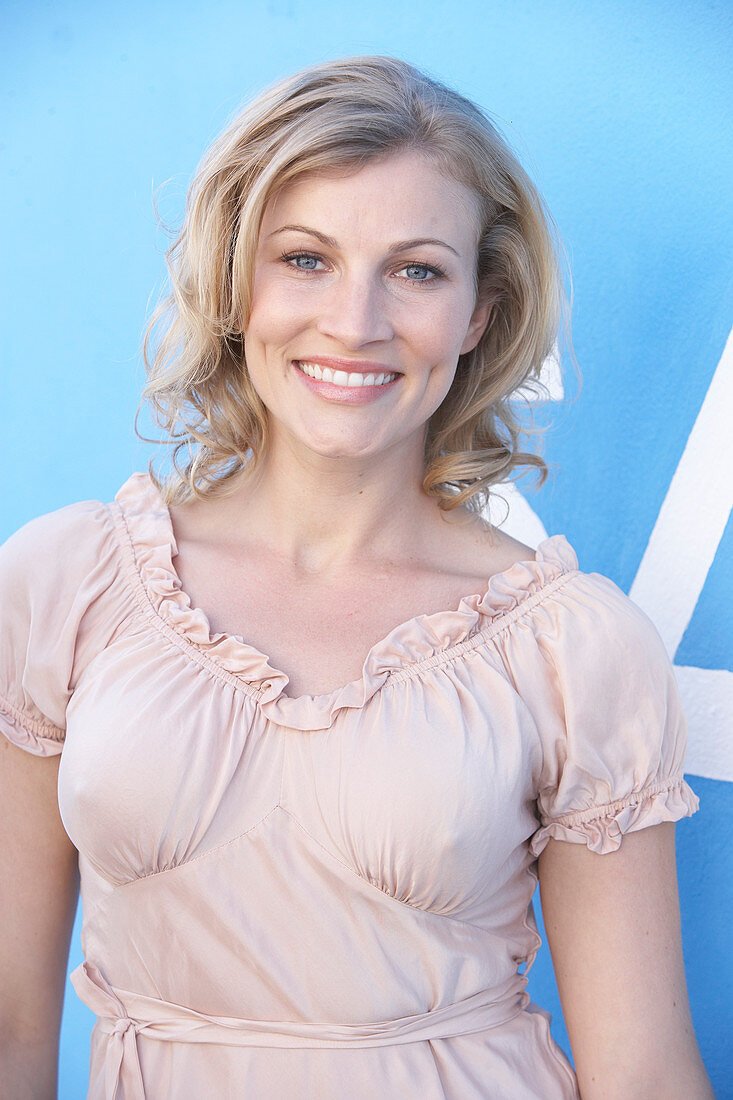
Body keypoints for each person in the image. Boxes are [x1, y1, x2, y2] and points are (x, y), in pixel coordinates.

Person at [0, 55, 714, 1100]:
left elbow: (643, 1071)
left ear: (477, 313)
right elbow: (12, 1020)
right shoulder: (64, 582)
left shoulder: (572, 645)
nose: (355, 321)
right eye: (305, 259)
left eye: (417, 269)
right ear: (236, 280)